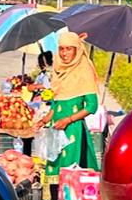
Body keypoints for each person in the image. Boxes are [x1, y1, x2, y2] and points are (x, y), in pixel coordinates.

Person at [43, 30, 101, 173]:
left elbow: (92, 106)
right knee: (53, 170)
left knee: (69, 171)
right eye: (61, 49)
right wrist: (45, 119)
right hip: (56, 127)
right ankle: (54, 196)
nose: (64, 53)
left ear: (77, 50)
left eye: (69, 49)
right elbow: (57, 102)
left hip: (72, 129)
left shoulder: (84, 70)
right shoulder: (59, 69)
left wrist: (68, 120)